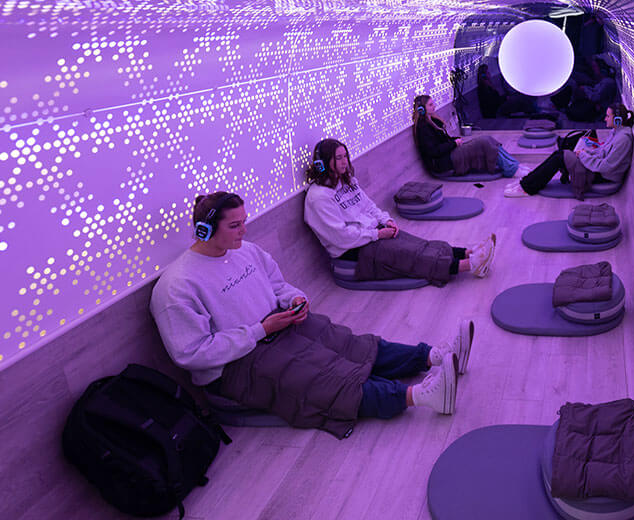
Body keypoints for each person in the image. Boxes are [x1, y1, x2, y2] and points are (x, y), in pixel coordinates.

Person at [150, 192, 475, 437]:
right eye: (235, 225)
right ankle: (421, 396)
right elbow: (191, 354)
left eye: (244, 222)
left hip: (275, 329)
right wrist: (259, 331)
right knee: (323, 376)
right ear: (204, 230)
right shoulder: (178, 286)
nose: (243, 231)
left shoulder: (245, 252)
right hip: (233, 367)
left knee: (352, 345)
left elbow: (279, 285)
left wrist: (295, 299)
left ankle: (434, 356)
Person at [305, 138, 496, 283]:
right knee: (407, 254)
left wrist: (386, 220)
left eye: (345, 156)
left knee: (418, 243)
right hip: (351, 249)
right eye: (338, 158)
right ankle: (471, 265)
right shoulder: (319, 198)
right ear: (323, 163)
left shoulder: (347, 182)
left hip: (370, 234)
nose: (344, 162)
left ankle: (467, 252)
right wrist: (377, 234)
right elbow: (341, 236)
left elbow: (369, 206)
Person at [504, 103, 634, 200]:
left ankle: (527, 187)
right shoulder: (616, 132)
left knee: (559, 158)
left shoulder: (623, 139)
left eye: (608, 116)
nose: (605, 119)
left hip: (603, 177)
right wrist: (586, 152)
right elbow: (602, 152)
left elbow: (606, 167)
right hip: (596, 169)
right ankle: (527, 181)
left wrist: (583, 155)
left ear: (618, 119)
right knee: (560, 154)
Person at [412, 94, 504, 176]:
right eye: (430, 105)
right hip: (441, 163)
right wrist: (454, 143)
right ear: (422, 109)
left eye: (433, 103)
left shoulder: (434, 121)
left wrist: (455, 140)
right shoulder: (423, 127)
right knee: (484, 142)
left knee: (488, 139)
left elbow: (444, 140)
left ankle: (509, 164)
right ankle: (510, 168)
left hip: (448, 154)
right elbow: (434, 151)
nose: (434, 106)